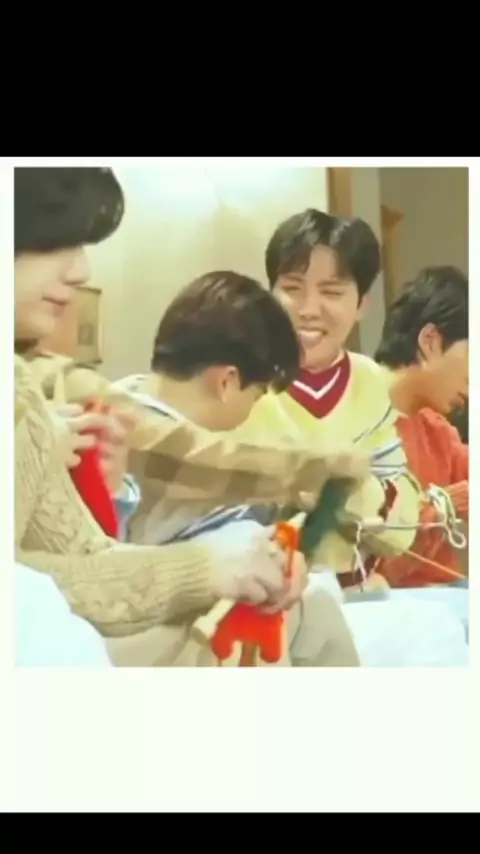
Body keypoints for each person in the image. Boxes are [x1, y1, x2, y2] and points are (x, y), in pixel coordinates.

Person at [14, 167, 364, 668]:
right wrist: (213, 565)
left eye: (332, 292)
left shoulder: (25, 386)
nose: (81, 271)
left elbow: (83, 556)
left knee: (301, 610)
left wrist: (225, 564)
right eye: (56, 243)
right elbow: (194, 455)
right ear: (227, 381)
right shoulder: (100, 409)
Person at [373, 266, 469, 635]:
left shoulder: (434, 427)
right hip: (400, 612)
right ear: (430, 341)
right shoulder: (357, 423)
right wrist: (441, 507)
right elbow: (369, 572)